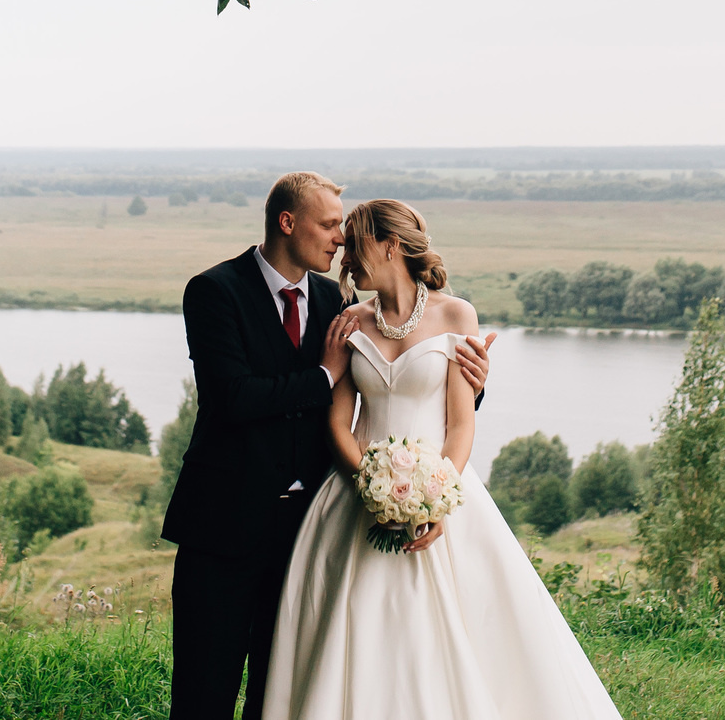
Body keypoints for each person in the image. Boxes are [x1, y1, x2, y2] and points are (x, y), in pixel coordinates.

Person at [258, 199, 625, 720]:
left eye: (355, 243)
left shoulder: (456, 314)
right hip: (352, 491)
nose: (344, 256)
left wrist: (435, 498)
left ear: (390, 246)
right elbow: (337, 423)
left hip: (443, 488)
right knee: (356, 625)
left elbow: (461, 424)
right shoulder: (348, 322)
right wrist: (370, 483)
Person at [165, 173, 494, 720]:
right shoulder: (214, 290)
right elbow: (231, 398)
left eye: (343, 226)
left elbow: (415, 377)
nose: (340, 239)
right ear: (286, 223)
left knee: (286, 688)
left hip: (308, 530)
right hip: (225, 525)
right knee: (204, 689)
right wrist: (322, 377)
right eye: (329, 224)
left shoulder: (333, 300)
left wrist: (474, 386)